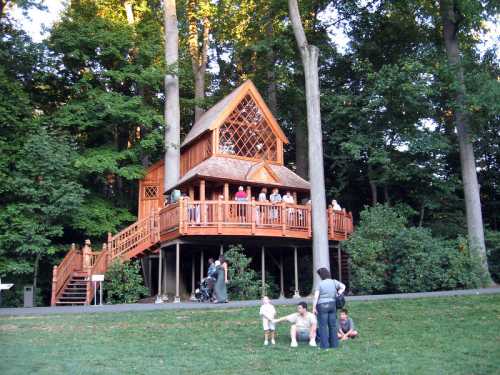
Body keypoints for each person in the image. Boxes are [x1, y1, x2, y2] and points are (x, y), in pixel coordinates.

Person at [312, 267, 346, 349]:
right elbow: (343, 286)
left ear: (321, 275)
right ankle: (334, 345)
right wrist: (338, 293)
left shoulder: (320, 284)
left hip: (322, 305)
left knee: (323, 326)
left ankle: (324, 346)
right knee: (333, 325)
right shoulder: (334, 282)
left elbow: (316, 297)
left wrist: (313, 307)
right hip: (332, 305)